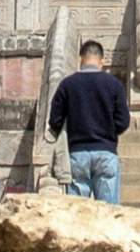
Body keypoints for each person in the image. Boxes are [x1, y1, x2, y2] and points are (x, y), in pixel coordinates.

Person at [47, 37, 130, 205]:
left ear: (80, 59)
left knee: (78, 213)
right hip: (106, 153)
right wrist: (109, 131)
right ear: (102, 60)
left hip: (77, 154)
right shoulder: (114, 85)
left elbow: (54, 121)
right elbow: (123, 121)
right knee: (109, 213)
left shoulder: (67, 84)